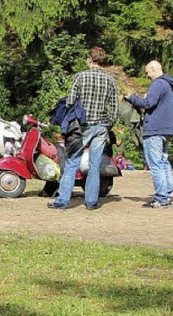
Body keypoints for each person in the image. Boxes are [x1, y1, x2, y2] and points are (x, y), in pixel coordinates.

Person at [48, 47, 119, 210]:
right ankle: (91, 202)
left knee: (73, 161)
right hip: (101, 126)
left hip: (81, 126)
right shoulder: (110, 81)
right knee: (94, 165)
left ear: (89, 59)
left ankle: (62, 200)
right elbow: (114, 109)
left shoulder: (80, 77)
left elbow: (70, 101)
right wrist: (108, 125)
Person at [126, 60, 173, 208]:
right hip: (167, 129)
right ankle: (168, 193)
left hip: (155, 129)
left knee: (156, 164)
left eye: (147, 72)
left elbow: (148, 103)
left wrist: (132, 98)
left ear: (153, 69)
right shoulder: (169, 85)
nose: (147, 76)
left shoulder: (158, 84)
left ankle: (161, 198)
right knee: (164, 162)